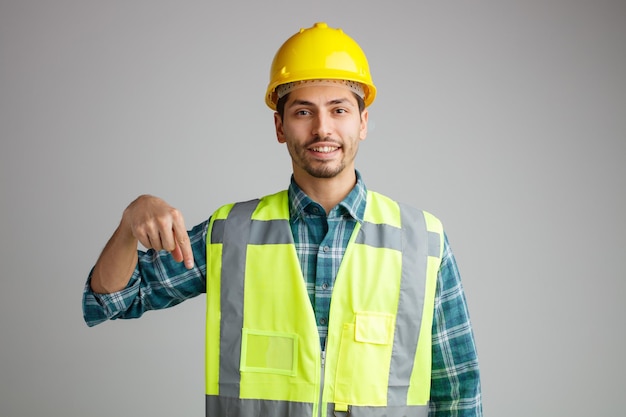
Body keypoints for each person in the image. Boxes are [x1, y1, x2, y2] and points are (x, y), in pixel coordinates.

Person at [83, 22, 482, 417]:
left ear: (362, 123)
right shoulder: (231, 234)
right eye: (303, 111)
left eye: (338, 109)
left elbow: (458, 391)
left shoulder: (422, 240)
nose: (322, 128)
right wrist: (128, 222)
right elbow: (112, 299)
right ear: (279, 126)